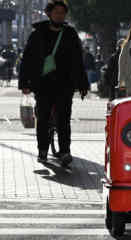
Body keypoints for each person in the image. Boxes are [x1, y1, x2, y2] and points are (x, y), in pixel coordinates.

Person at [18, 0, 90, 164]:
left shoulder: (70, 33)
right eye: (56, 12)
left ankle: (65, 151)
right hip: (42, 84)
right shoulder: (37, 33)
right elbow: (27, 59)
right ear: (49, 13)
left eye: (62, 13)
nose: (59, 15)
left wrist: (82, 84)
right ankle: (42, 150)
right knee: (42, 118)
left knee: (64, 119)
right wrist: (25, 83)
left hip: (65, 84)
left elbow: (78, 61)